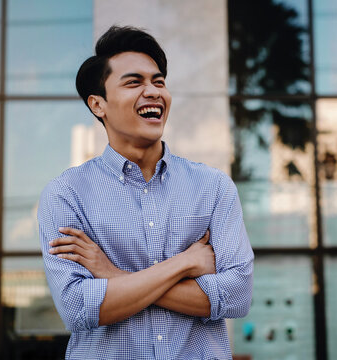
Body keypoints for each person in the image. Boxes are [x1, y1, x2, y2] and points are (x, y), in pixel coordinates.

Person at [37, 25, 254, 360]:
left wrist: (112, 276)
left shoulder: (213, 187)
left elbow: (237, 296)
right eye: (134, 82)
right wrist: (185, 263)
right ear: (99, 105)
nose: (153, 91)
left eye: (159, 81)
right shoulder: (66, 194)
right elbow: (79, 309)